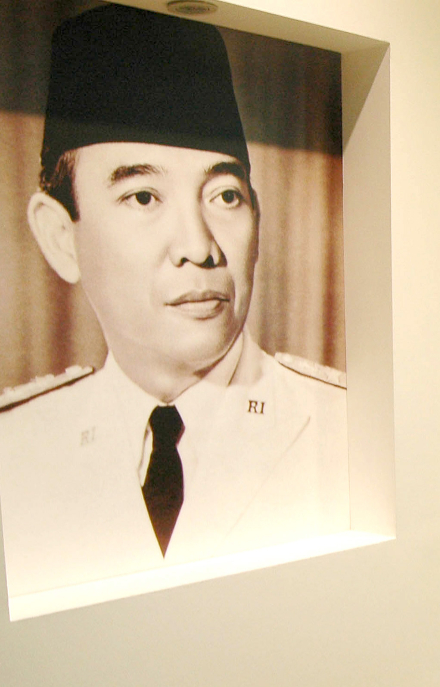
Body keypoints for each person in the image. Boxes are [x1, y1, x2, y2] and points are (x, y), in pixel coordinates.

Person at [0, 5, 348, 598]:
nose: (198, 247)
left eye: (225, 196)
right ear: (61, 238)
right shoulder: (17, 449)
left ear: (258, 221)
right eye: (143, 197)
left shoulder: (344, 428)